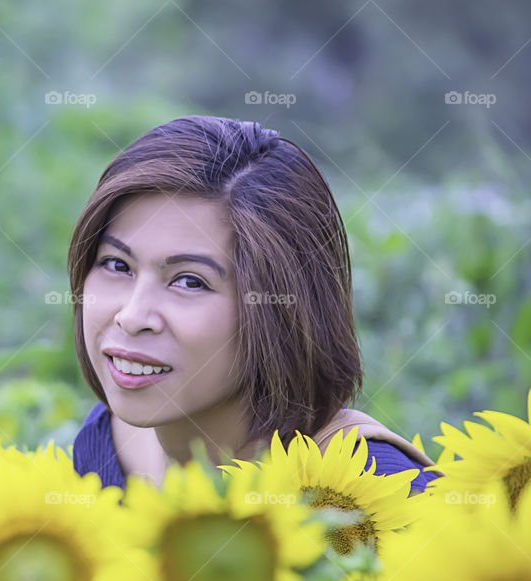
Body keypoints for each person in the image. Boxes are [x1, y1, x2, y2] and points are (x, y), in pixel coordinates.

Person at [67, 115, 439, 495]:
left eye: (190, 281)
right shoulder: (103, 449)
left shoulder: (381, 492)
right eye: (117, 265)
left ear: (282, 308)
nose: (131, 317)